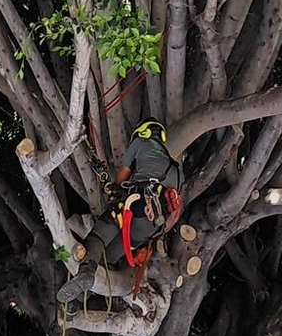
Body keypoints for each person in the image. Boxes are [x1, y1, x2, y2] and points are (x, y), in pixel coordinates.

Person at [58, 119, 186, 303]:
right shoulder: (178, 170)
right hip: (150, 229)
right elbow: (175, 214)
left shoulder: (141, 143)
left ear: (143, 132)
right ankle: (83, 298)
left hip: (134, 207)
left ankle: (86, 271)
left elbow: (119, 182)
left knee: (99, 237)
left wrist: (112, 187)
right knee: (107, 258)